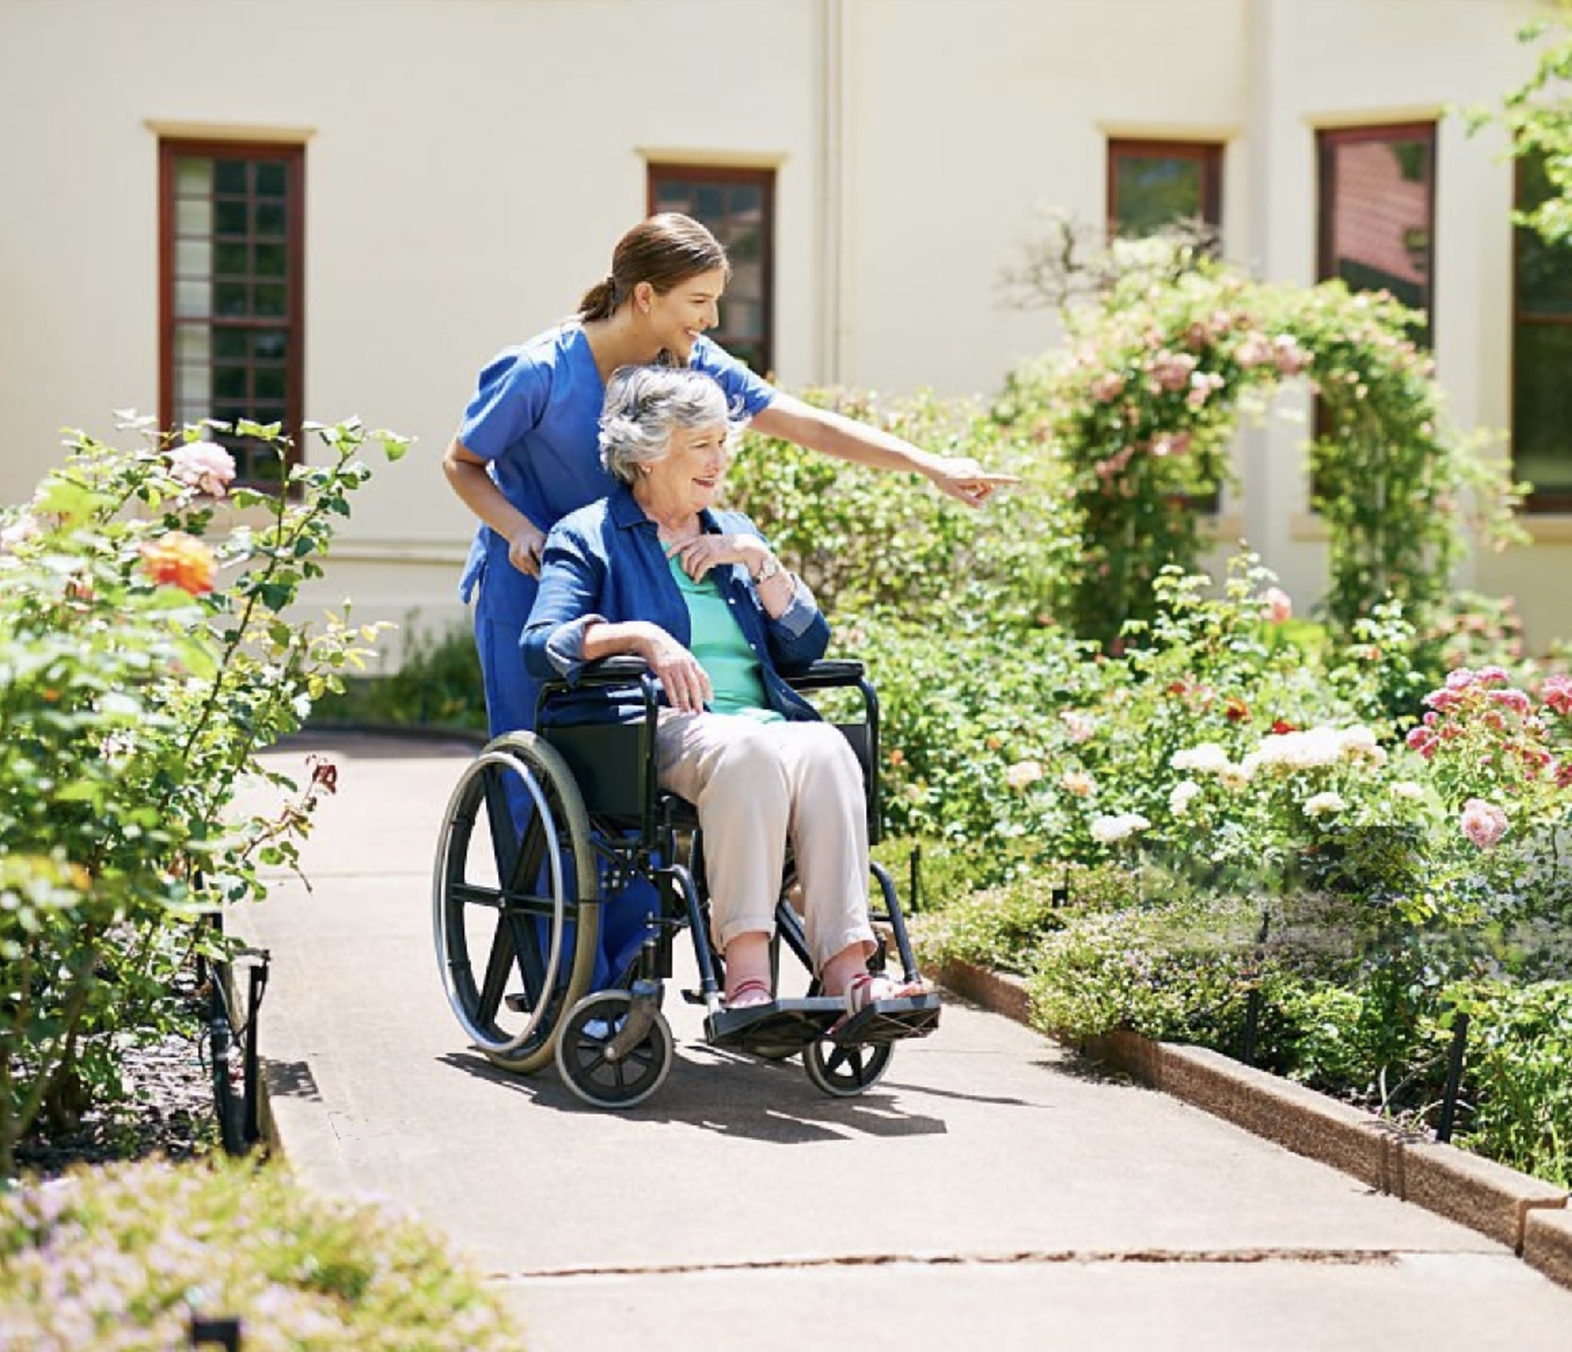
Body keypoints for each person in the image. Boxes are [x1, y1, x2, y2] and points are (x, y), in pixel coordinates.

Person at [444, 211, 1015, 738]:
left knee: (621, 773)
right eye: (698, 300)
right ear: (645, 295)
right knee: (533, 761)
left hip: (635, 577)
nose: (712, 318)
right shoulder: (538, 371)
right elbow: (462, 463)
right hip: (536, 578)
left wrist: (928, 465)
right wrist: (518, 529)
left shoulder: (693, 360)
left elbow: (807, 425)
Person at [523, 364, 926, 1017]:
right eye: (701, 445)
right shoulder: (590, 534)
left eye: (722, 443)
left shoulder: (731, 528)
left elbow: (806, 646)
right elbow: (542, 644)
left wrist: (758, 561)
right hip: (661, 728)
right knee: (745, 751)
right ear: (648, 455)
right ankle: (746, 979)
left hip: (761, 723)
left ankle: (849, 974)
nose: (719, 461)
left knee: (826, 748)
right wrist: (641, 637)